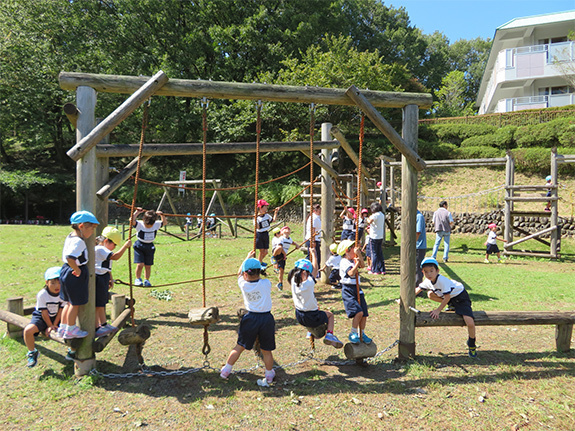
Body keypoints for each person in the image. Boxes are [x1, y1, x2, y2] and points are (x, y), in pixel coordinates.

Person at [220, 251, 276, 387]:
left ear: (245, 274)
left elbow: (238, 273)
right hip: (266, 318)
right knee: (266, 350)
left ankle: (226, 370)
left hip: (250, 318)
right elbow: (247, 274)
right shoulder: (266, 283)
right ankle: (269, 374)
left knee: (239, 346)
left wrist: (246, 258)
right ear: (260, 272)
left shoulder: (243, 284)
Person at [415, 257, 477, 357]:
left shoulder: (442, 280)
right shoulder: (427, 281)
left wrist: (438, 310)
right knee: (430, 294)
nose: (429, 274)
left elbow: (447, 297)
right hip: (450, 298)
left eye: (431, 271)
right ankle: (452, 305)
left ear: (437, 271)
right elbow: (417, 290)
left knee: (469, 322)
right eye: (426, 272)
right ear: (422, 272)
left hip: (460, 297)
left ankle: (472, 343)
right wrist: (403, 300)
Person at [289, 248, 343, 348]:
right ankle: (330, 335)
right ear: (304, 273)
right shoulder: (308, 283)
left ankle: (311, 332)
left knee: (317, 327)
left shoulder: (292, 280)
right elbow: (315, 268)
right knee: (330, 316)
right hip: (311, 315)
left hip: (299, 315)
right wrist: (314, 254)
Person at [58, 210, 99, 340]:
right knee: (75, 304)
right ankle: (71, 329)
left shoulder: (71, 236)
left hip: (65, 271)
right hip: (74, 273)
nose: (92, 232)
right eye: (91, 229)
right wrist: (78, 270)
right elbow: (71, 257)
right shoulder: (79, 242)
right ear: (81, 226)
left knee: (69, 303)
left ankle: (63, 327)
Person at [23, 267, 65, 367]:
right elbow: (44, 312)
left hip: (57, 317)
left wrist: (55, 324)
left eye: (59, 282)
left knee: (71, 329)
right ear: (47, 282)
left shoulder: (64, 293)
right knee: (28, 331)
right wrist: (49, 326)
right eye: (53, 283)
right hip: (41, 317)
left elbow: (61, 310)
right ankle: (32, 351)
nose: (57, 286)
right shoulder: (42, 294)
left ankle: (72, 351)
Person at [94, 227, 131, 337]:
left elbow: (107, 267)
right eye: (114, 244)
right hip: (98, 278)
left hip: (103, 277)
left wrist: (110, 278)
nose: (114, 247)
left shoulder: (104, 250)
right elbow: (115, 257)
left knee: (101, 302)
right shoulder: (100, 249)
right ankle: (100, 326)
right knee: (98, 304)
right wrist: (125, 246)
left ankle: (103, 324)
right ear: (106, 241)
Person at [338, 239, 372, 345]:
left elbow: (362, 265)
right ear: (347, 250)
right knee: (358, 312)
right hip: (348, 289)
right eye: (354, 249)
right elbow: (351, 273)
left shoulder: (354, 259)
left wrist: (359, 257)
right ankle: (353, 332)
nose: (356, 250)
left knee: (364, 313)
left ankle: (362, 333)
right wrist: (356, 264)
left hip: (357, 288)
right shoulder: (344, 262)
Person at [131, 207, 167, 287]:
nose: (149, 226)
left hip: (150, 246)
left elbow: (164, 223)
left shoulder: (156, 224)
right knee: (140, 264)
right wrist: (137, 212)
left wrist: (162, 215)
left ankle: (146, 280)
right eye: (147, 224)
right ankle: (138, 279)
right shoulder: (140, 224)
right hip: (139, 246)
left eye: (151, 225)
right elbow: (131, 220)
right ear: (144, 220)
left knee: (148, 265)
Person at [273, 225, 300, 291]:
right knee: (279, 247)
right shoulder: (281, 238)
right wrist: (285, 254)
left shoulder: (289, 239)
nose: (287, 229)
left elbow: (292, 242)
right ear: (281, 232)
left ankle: (280, 283)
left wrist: (296, 245)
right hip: (278, 252)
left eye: (288, 229)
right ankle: (273, 257)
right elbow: (280, 247)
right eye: (285, 228)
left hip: (283, 255)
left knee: (281, 270)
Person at [255, 199, 279, 268]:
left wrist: (275, 212)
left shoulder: (267, 215)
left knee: (266, 252)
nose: (266, 208)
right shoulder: (257, 218)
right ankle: (259, 263)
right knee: (262, 251)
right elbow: (258, 227)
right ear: (260, 208)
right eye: (265, 207)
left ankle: (259, 261)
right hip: (260, 235)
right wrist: (255, 219)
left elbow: (273, 220)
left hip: (266, 234)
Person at [366, 202, 385, 275]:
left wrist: (368, 218)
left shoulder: (374, 215)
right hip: (380, 236)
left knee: (373, 253)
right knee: (379, 253)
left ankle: (374, 270)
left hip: (373, 236)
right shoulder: (382, 215)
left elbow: (369, 221)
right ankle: (382, 269)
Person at [415, 209, 427, 288]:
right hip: (416, 246)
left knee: (417, 268)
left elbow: (418, 232)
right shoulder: (414, 216)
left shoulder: (419, 216)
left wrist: (412, 244)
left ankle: (418, 289)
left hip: (419, 246)